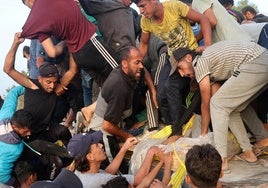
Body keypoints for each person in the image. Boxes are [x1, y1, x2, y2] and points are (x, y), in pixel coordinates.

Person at [169, 41, 268, 172]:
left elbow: (206, 103)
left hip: (256, 61)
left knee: (217, 104)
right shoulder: (208, 62)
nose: (181, 74)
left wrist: (203, 135)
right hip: (259, 62)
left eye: (180, 68)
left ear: (188, 58)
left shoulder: (200, 62)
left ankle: (222, 160)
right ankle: (248, 152)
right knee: (230, 108)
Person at [132, 0, 212, 137]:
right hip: (172, 58)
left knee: (171, 87)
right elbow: (144, 43)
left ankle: (177, 132)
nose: (141, 11)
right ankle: (174, 125)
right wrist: (136, 63)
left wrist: (208, 45)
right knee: (160, 95)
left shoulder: (174, 6)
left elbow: (203, 19)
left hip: (188, 55)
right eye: (138, 7)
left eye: (142, 6)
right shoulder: (146, 21)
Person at [21, 0, 120, 93]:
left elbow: (52, 52)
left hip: (77, 55)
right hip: (89, 43)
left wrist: (67, 41)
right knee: (122, 71)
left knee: (106, 86)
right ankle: (90, 110)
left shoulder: (37, 23)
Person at [3, 32, 72, 142]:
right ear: (40, 79)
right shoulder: (32, 85)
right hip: (27, 134)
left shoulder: (57, 86)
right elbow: (8, 69)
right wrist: (15, 43)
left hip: (45, 131)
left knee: (63, 131)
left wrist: (69, 41)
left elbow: (72, 71)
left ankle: (74, 156)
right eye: (48, 82)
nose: (51, 86)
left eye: (54, 82)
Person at [67, 131, 169, 188]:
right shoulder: (97, 181)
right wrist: (150, 153)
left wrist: (124, 148)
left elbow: (107, 172)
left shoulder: (80, 172)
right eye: (97, 145)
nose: (101, 145)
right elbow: (138, 180)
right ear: (90, 157)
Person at [0, 109, 33, 186]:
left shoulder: (6, 113)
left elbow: (11, 97)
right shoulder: (14, 150)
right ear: (14, 126)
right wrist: (18, 184)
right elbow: (2, 176)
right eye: (25, 131)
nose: (29, 133)